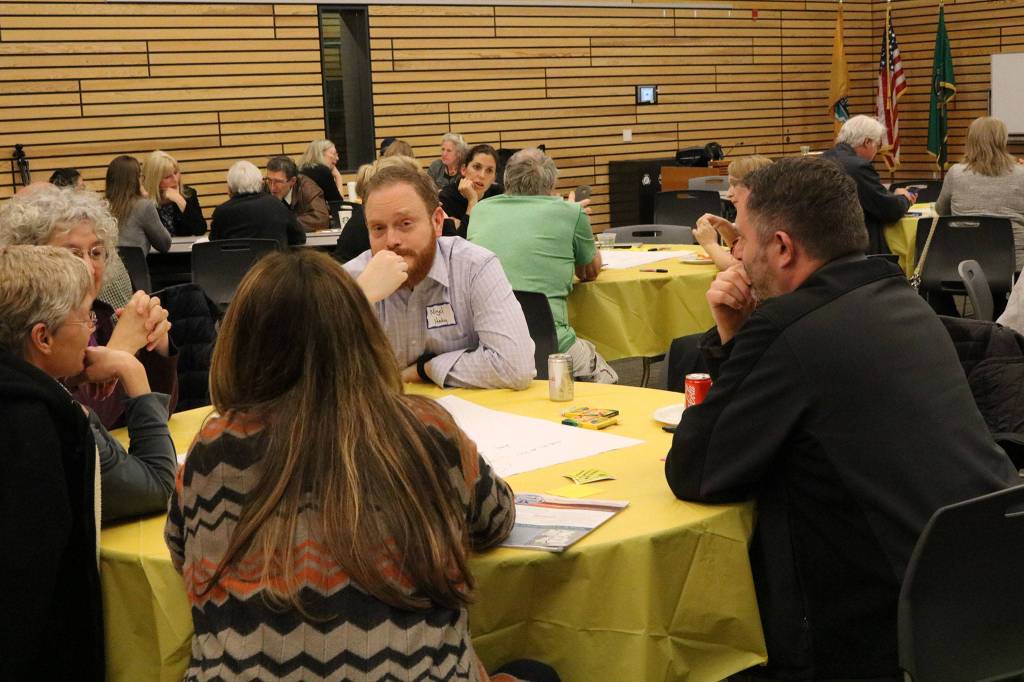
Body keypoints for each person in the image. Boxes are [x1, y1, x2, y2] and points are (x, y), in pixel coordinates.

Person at [663, 156, 1018, 680]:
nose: (736, 252)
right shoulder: (900, 299)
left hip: (879, 629)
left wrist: (733, 339)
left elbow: (696, 471)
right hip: (986, 590)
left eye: (745, 239)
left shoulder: (790, 326)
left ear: (783, 248)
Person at [165, 250, 546, 680]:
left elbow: (181, 552)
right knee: (532, 669)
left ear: (240, 342)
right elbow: (495, 521)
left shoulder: (211, 451)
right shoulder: (424, 430)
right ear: (362, 331)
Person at [343, 155, 535, 389]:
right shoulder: (350, 279)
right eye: (378, 228)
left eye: (405, 224)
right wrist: (359, 299)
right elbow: (311, 380)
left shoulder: (474, 267)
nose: (391, 241)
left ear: (436, 221)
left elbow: (515, 366)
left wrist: (427, 369)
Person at [0, 185, 178, 430]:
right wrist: (120, 353)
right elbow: (70, 429)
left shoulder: (103, 316)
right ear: (32, 261)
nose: (88, 267)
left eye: (95, 252)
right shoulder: (21, 329)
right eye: (71, 253)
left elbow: (156, 415)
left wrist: (156, 343)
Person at [469, 148, 616, 383]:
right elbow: (589, 271)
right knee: (609, 379)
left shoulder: (479, 210)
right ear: (551, 184)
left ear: (506, 180)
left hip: (487, 344)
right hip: (551, 345)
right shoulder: (571, 212)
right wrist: (575, 217)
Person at [935, 116, 1024, 270]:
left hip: (965, 264)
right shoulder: (1021, 174)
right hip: (1015, 266)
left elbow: (941, 211)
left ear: (971, 141)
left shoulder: (955, 173)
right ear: (1002, 140)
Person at [822, 115, 916, 254]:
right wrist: (904, 199)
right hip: (856, 248)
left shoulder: (823, 158)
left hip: (825, 244)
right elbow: (889, 210)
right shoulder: (858, 167)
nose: (877, 151)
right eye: (877, 145)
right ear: (867, 142)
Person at [690, 155, 773, 271]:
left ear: (754, 188)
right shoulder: (761, 217)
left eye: (734, 185)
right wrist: (724, 226)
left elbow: (743, 271)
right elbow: (742, 253)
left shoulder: (768, 223)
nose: (729, 194)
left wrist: (710, 244)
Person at [210, 160, 306, 247]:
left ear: (230, 187)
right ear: (260, 183)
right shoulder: (275, 204)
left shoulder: (221, 212)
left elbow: (214, 245)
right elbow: (299, 238)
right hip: (272, 265)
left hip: (235, 265)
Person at [105, 154, 172, 253]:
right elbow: (164, 244)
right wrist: (145, 199)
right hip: (134, 268)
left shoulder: (98, 207)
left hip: (106, 268)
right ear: (135, 180)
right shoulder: (143, 206)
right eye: (140, 176)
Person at [440, 143, 503, 237]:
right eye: (477, 167)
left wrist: (461, 225)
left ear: (494, 178)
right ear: (463, 170)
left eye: (489, 170)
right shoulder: (446, 198)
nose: (482, 175)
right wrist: (472, 201)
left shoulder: (498, 196)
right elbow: (458, 246)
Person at [142, 150, 207, 237]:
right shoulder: (142, 201)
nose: (175, 180)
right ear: (155, 180)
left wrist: (180, 200)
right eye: (167, 177)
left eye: (176, 173)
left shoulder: (189, 194)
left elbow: (200, 230)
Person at [266, 155, 329, 232]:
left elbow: (321, 219)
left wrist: (284, 223)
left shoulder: (308, 188)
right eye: (269, 180)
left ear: (292, 181)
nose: (272, 188)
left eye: (278, 182)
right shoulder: (264, 187)